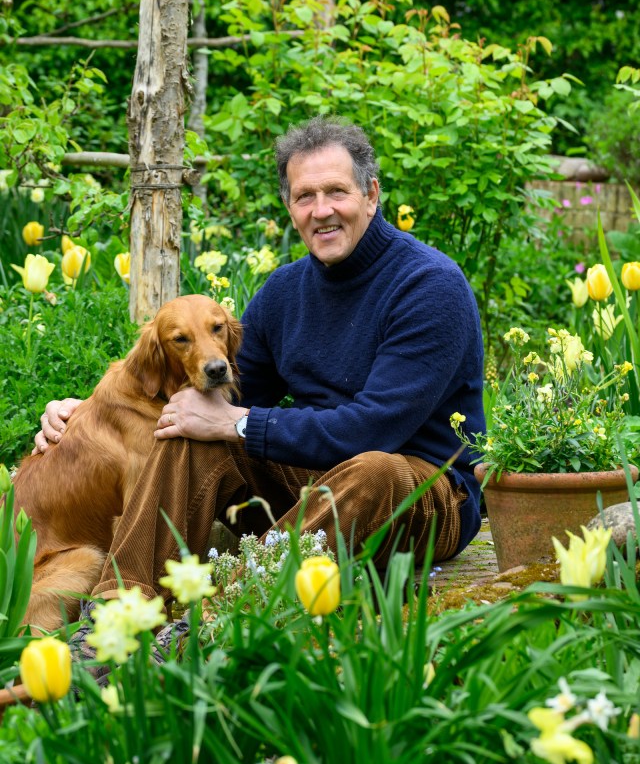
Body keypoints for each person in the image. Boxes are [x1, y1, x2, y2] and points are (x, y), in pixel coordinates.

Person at [35, 115, 485, 610]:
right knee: (190, 431)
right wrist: (90, 414)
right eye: (304, 196)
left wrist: (240, 423)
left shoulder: (428, 286)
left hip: (424, 494)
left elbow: (374, 429)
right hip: (312, 483)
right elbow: (220, 392)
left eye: (336, 192)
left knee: (375, 469)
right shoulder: (285, 291)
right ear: (290, 208)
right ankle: (122, 615)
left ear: (371, 194)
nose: (321, 211)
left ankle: (226, 615)